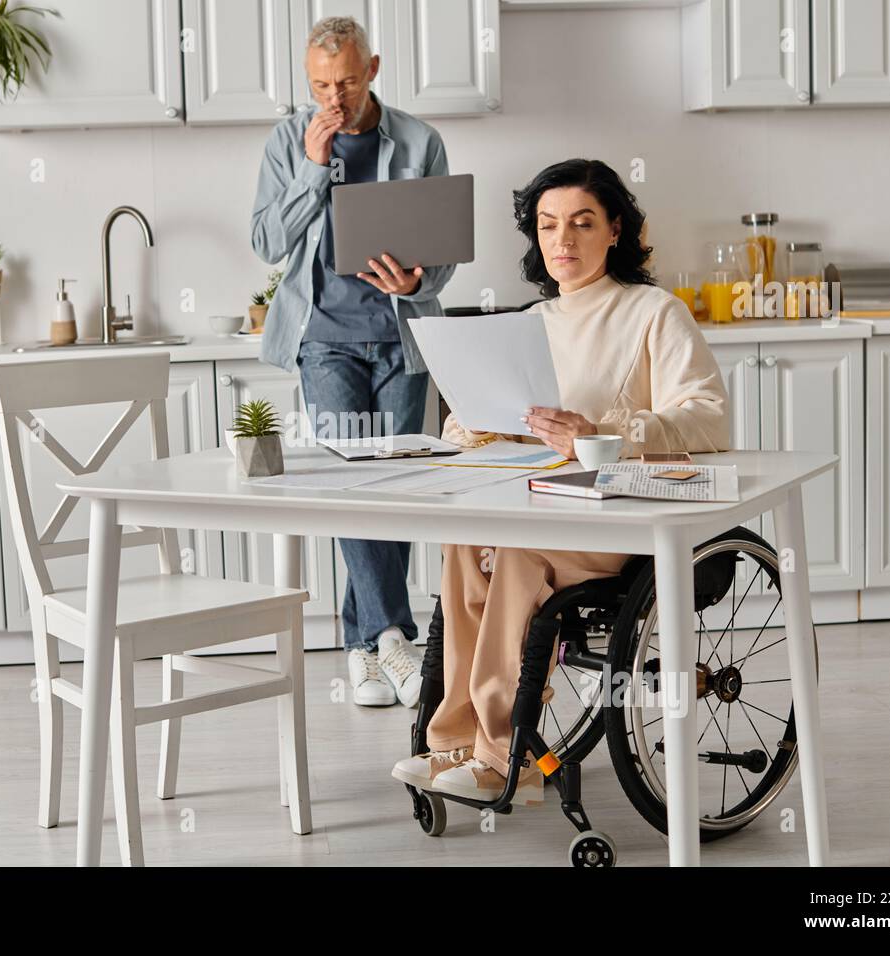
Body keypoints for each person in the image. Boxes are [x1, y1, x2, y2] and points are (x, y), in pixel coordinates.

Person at [392, 159, 731, 804]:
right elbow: (492, 421)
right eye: (547, 225)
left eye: (581, 222)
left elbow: (709, 418)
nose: (563, 240)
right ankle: (455, 744)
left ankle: (504, 758)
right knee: (465, 542)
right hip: (539, 504)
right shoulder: (529, 321)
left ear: (616, 231)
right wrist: (474, 425)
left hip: (621, 516)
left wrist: (602, 429)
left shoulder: (654, 312)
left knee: (518, 551)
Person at [250, 16, 457, 708]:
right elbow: (265, 242)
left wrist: (417, 282)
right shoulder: (290, 140)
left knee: (392, 492)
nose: (331, 97)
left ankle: (362, 647)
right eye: (317, 85)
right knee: (349, 484)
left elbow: (444, 250)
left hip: (403, 338)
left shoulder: (421, 141)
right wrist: (313, 170)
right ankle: (397, 638)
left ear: (372, 68)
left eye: (343, 81)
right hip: (325, 339)